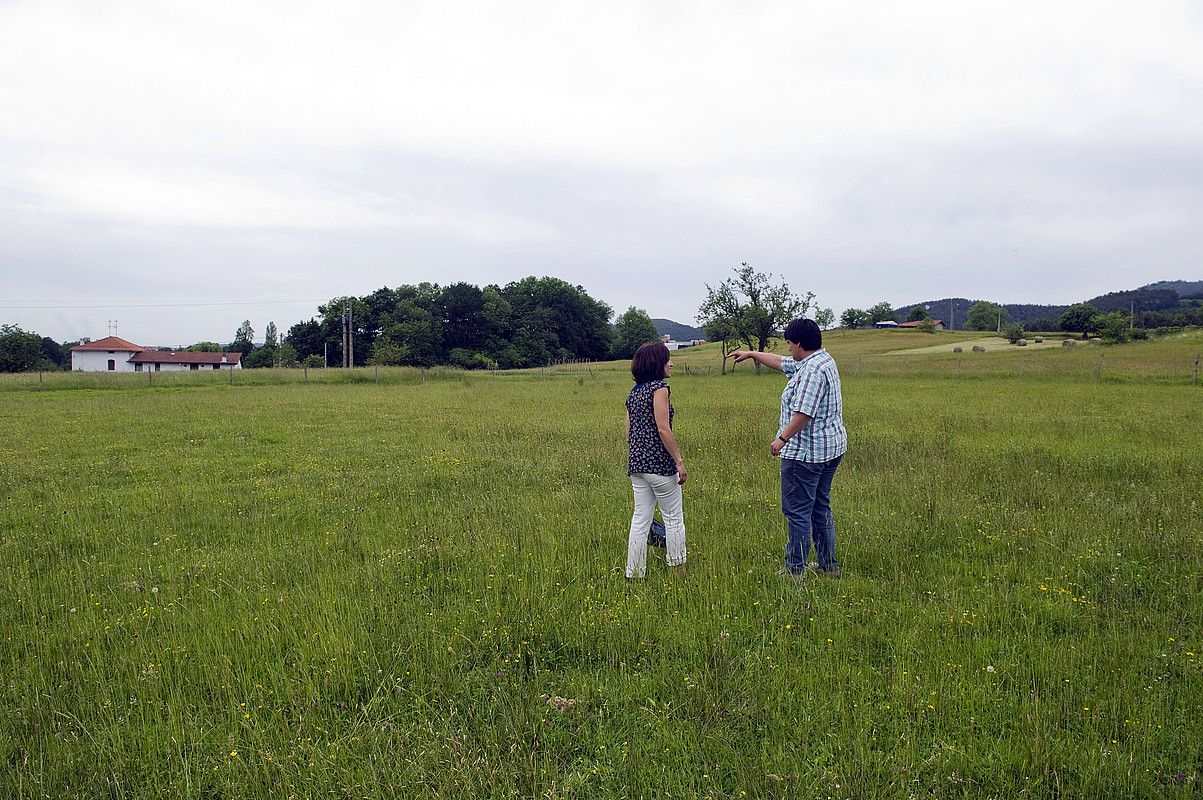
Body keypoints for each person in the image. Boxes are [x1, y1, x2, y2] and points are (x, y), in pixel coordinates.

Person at [731, 318, 847, 580]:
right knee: (820, 507)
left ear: (798, 343)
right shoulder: (821, 360)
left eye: (789, 344)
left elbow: (804, 413)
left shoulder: (811, 372)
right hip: (829, 449)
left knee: (798, 511)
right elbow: (782, 362)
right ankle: (829, 566)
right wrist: (751, 354)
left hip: (806, 454)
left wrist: (781, 439)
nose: (788, 349)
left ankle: (795, 570)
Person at [624, 341, 687, 578]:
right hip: (659, 466)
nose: (671, 363)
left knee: (640, 519)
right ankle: (678, 572)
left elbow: (628, 434)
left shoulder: (634, 392)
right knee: (673, 519)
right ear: (656, 363)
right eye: (667, 359)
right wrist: (679, 461)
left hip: (637, 465)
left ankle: (635, 572)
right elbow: (663, 429)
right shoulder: (660, 389)